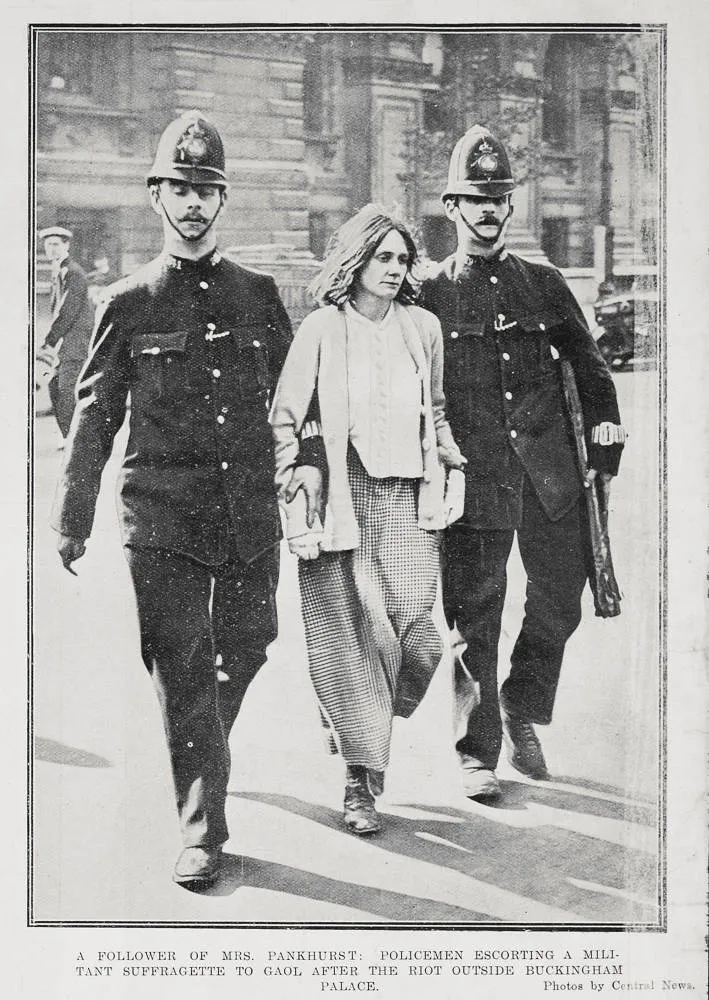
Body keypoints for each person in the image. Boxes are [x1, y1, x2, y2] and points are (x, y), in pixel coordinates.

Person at [51, 110, 318, 889]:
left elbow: (294, 400)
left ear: (223, 198)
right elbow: (95, 414)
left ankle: (204, 751)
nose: (193, 202)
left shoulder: (258, 294)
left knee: (252, 641)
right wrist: (73, 517)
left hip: (247, 508)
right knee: (183, 664)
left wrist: (308, 470)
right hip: (161, 514)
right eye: (180, 188)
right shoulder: (127, 301)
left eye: (206, 189)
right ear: (156, 196)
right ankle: (203, 829)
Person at [420, 126, 626, 802]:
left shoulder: (543, 283)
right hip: (472, 478)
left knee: (560, 602)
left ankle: (522, 704)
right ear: (452, 207)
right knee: (474, 615)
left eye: (498, 199)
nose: (487, 210)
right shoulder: (429, 292)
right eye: (474, 200)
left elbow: (591, 369)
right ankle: (476, 753)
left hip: (549, 476)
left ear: (510, 205)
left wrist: (603, 448)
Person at [270, 205, 466, 835]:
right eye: (382, 257)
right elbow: (286, 414)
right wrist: (295, 484)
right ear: (355, 261)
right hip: (341, 496)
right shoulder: (323, 327)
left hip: (409, 499)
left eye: (403, 259)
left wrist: (451, 460)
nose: (394, 269)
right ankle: (361, 776)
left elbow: (436, 409)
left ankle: (355, 718)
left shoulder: (423, 327)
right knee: (350, 637)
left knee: (417, 638)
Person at [36, 226, 95, 438]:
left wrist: (49, 341)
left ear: (66, 246)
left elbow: (67, 310)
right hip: (66, 345)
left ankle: (76, 439)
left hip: (76, 343)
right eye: (48, 245)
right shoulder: (60, 270)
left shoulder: (73, 272)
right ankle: (69, 436)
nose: (51, 249)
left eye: (56, 244)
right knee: (55, 387)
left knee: (68, 392)